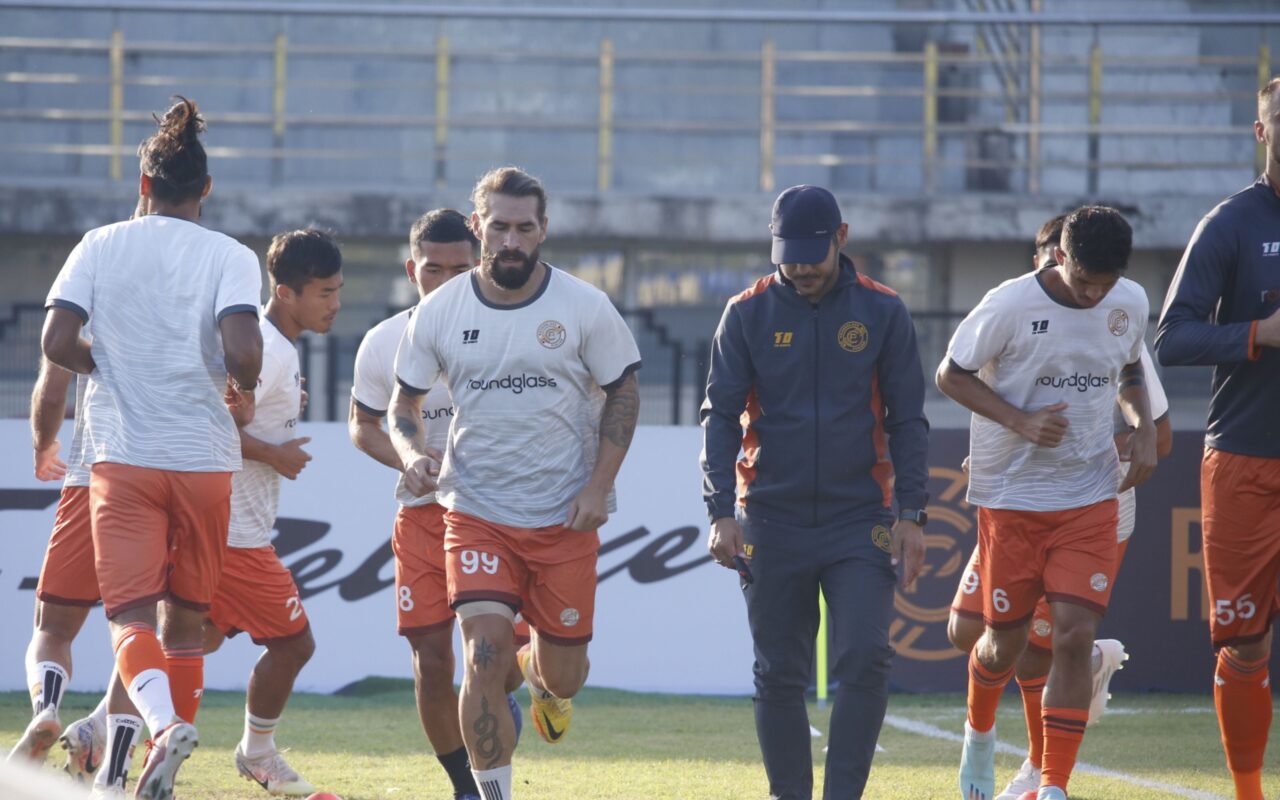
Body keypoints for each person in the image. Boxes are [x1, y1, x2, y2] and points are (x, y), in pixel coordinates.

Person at [389, 167, 641, 800]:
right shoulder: (440, 310)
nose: (510, 240)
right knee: (482, 654)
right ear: (478, 227)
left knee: (565, 675)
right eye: (498, 226)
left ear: (543, 229)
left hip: (564, 516)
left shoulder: (584, 306)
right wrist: (411, 452)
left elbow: (624, 393)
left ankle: (541, 675)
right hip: (475, 510)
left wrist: (598, 487)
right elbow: (402, 402)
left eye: (524, 228)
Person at [41, 95, 263, 800]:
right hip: (206, 464)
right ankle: (129, 775)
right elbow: (244, 354)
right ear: (206, 189)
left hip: (127, 459)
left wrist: (108, 362)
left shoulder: (100, 243)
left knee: (130, 617)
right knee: (185, 624)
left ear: (143, 183)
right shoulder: (231, 255)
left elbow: (55, 342)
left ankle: (162, 726)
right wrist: (240, 384)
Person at [700, 184, 930, 800]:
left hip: (861, 519)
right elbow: (719, 419)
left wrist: (912, 514)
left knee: (867, 657)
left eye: (811, 255)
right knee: (779, 672)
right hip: (769, 518)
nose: (799, 268)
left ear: (841, 237)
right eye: (787, 256)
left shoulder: (884, 310)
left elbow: (908, 420)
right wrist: (720, 512)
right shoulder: (745, 313)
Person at [945, 214, 1173, 799]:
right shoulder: (1009, 304)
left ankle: (1052, 786)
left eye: (1105, 283)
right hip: (1012, 500)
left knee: (1071, 638)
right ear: (1060, 258)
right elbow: (950, 374)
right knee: (1000, 644)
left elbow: (1129, 366)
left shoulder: (1129, 301)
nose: (1094, 295)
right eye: (1084, 282)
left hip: (1089, 496)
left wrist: (1144, 425)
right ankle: (978, 736)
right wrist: (1019, 421)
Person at [350, 208, 523, 800]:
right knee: (431, 660)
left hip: (495, 514)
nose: (446, 281)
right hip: (421, 516)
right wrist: (409, 460)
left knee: (498, 662)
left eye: (459, 269)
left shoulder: (512, 331)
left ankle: (516, 690)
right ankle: (465, 787)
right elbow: (362, 425)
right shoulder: (383, 342)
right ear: (411, 270)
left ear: (480, 265)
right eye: (433, 269)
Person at [1154, 78, 1280, 800]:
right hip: (1244, 460)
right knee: (1244, 643)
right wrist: (1258, 333)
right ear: (1261, 131)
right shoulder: (1229, 224)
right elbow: (1173, 338)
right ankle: (1248, 791)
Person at [197, 228, 341, 796]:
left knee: (195, 639)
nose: (335, 303)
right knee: (294, 644)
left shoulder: (272, 346)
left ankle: (105, 727)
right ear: (285, 292)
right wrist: (274, 453)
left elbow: (240, 412)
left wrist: (280, 414)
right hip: (236, 536)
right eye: (324, 293)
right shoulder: (270, 350)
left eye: (338, 290)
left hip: (226, 525)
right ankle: (258, 752)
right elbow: (210, 428)